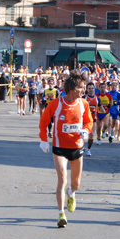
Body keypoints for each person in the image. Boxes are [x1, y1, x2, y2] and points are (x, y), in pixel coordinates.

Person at [38, 70, 93, 228]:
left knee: (76, 183)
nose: (84, 90)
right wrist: (43, 140)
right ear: (72, 88)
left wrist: (85, 131)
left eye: (84, 88)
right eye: (81, 88)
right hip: (60, 147)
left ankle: (72, 193)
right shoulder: (56, 104)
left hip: (76, 147)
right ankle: (61, 214)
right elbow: (44, 122)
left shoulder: (83, 104)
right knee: (62, 179)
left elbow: (89, 122)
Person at [83, 82, 99, 156]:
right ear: (86, 89)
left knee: (91, 135)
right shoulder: (84, 98)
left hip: (93, 119)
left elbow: (102, 108)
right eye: (89, 88)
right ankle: (80, 146)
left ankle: (88, 150)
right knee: (82, 134)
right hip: (83, 119)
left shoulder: (97, 98)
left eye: (92, 88)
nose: (91, 90)